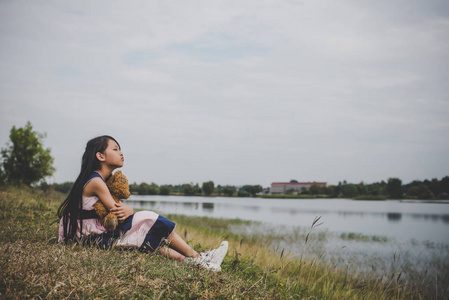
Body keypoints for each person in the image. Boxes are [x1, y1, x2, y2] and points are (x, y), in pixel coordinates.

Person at [57, 135, 227, 271]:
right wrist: (130, 210)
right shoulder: (96, 181)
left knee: (144, 236)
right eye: (115, 149)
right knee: (148, 218)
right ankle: (199, 258)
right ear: (100, 156)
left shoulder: (101, 180)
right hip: (90, 237)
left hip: (93, 234)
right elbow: (116, 212)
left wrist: (128, 211)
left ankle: (197, 263)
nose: (121, 153)